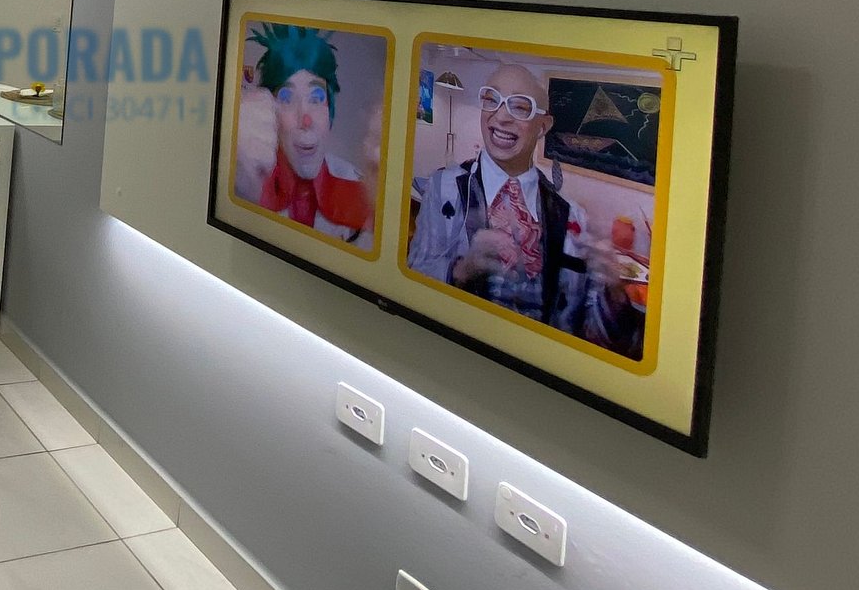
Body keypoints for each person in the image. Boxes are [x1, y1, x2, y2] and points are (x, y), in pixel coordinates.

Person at [407, 62, 642, 358]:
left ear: (543, 127)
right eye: (491, 99)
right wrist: (462, 270)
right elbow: (410, 283)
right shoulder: (444, 187)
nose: (501, 116)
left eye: (520, 107)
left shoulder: (573, 218)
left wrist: (613, 290)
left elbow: (597, 338)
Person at [234, 23, 375, 250]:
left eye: (316, 97)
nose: (305, 120)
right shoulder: (244, 181)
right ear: (270, 111)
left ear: (329, 111)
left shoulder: (359, 190)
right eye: (287, 98)